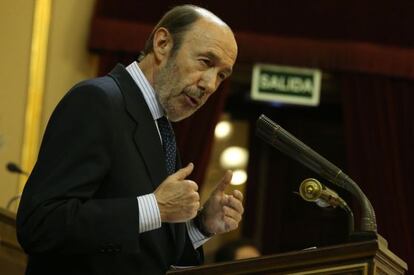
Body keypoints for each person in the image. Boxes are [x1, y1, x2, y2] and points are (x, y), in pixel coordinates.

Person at [16, 4, 243, 275]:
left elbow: (148, 252)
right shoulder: (97, 100)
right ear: (162, 44)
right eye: (205, 62)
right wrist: (154, 207)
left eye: (221, 75)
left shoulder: (161, 126)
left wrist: (201, 226)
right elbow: (40, 224)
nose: (210, 84)